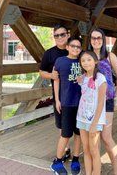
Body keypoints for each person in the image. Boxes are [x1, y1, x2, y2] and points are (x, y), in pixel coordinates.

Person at [88, 28, 117, 175]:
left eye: (99, 38)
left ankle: (116, 169)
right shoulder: (87, 56)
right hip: (91, 103)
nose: (96, 40)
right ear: (90, 40)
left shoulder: (110, 56)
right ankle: (96, 169)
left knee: (106, 137)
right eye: (93, 38)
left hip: (107, 102)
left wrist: (115, 95)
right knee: (94, 137)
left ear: (103, 40)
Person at [51, 36, 82, 175]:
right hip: (67, 102)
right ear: (68, 47)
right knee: (65, 134)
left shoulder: (84, 61)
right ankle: (57, 162)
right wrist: (57, 100)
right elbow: (56, 80)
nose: (76, 48)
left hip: (82, 103)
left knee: (79, 133)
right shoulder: (60, 61)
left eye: (78, 47)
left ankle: (75, 159)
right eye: (73, 46)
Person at [39, 25, 71, 162]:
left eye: (62, 34)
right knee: (63, 126)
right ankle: (65, 150)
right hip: (60, 96)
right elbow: (41, 72)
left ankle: (77, 154)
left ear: (68, 34)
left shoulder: (75, 50)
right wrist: (51, 75)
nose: (59, 38)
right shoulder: (49, 53)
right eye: (56, 35)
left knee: (78, 126)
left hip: (78, 95)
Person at [77, 51, 107, 175]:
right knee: (86, 150)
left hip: (95, 120)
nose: (86, 62)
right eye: (83, 60)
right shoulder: (83, 78)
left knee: (94, 151)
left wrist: (94, 123)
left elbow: (101, 103)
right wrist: (80, 80)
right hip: (82, 118)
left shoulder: (100, 78)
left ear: (95, 61)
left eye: (89, 59)